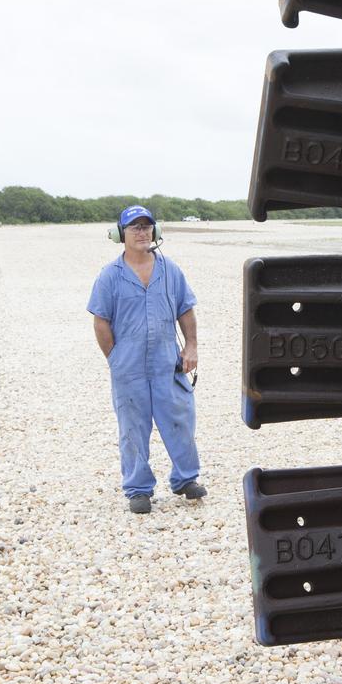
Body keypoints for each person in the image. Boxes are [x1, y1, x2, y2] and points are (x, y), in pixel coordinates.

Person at [87, 204, 206, 514]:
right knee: (133, 427)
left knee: (180, 420)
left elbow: (185, 309)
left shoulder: (171, 270)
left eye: (146, 226)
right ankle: (138, 489)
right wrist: (114, 357)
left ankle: (185, 480)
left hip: (167, 360)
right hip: (128, 364)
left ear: (156, 230)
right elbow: (100, 321)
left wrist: (191, 346)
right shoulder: (109, 276)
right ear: (120, 234)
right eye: (134, 227)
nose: (141, 232)